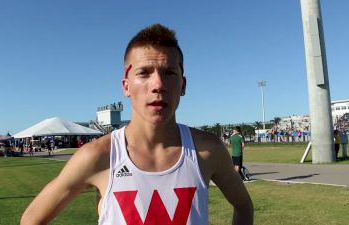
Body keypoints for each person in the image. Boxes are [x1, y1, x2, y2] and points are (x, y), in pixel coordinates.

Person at [21, 23, 253, 225]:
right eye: (144, 73)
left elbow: (243, 206)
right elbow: (32, 219)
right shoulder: (98, 156)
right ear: (126, 86)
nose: (158, 84)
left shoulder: (207, 150)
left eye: (169, 72)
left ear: (182, 85)